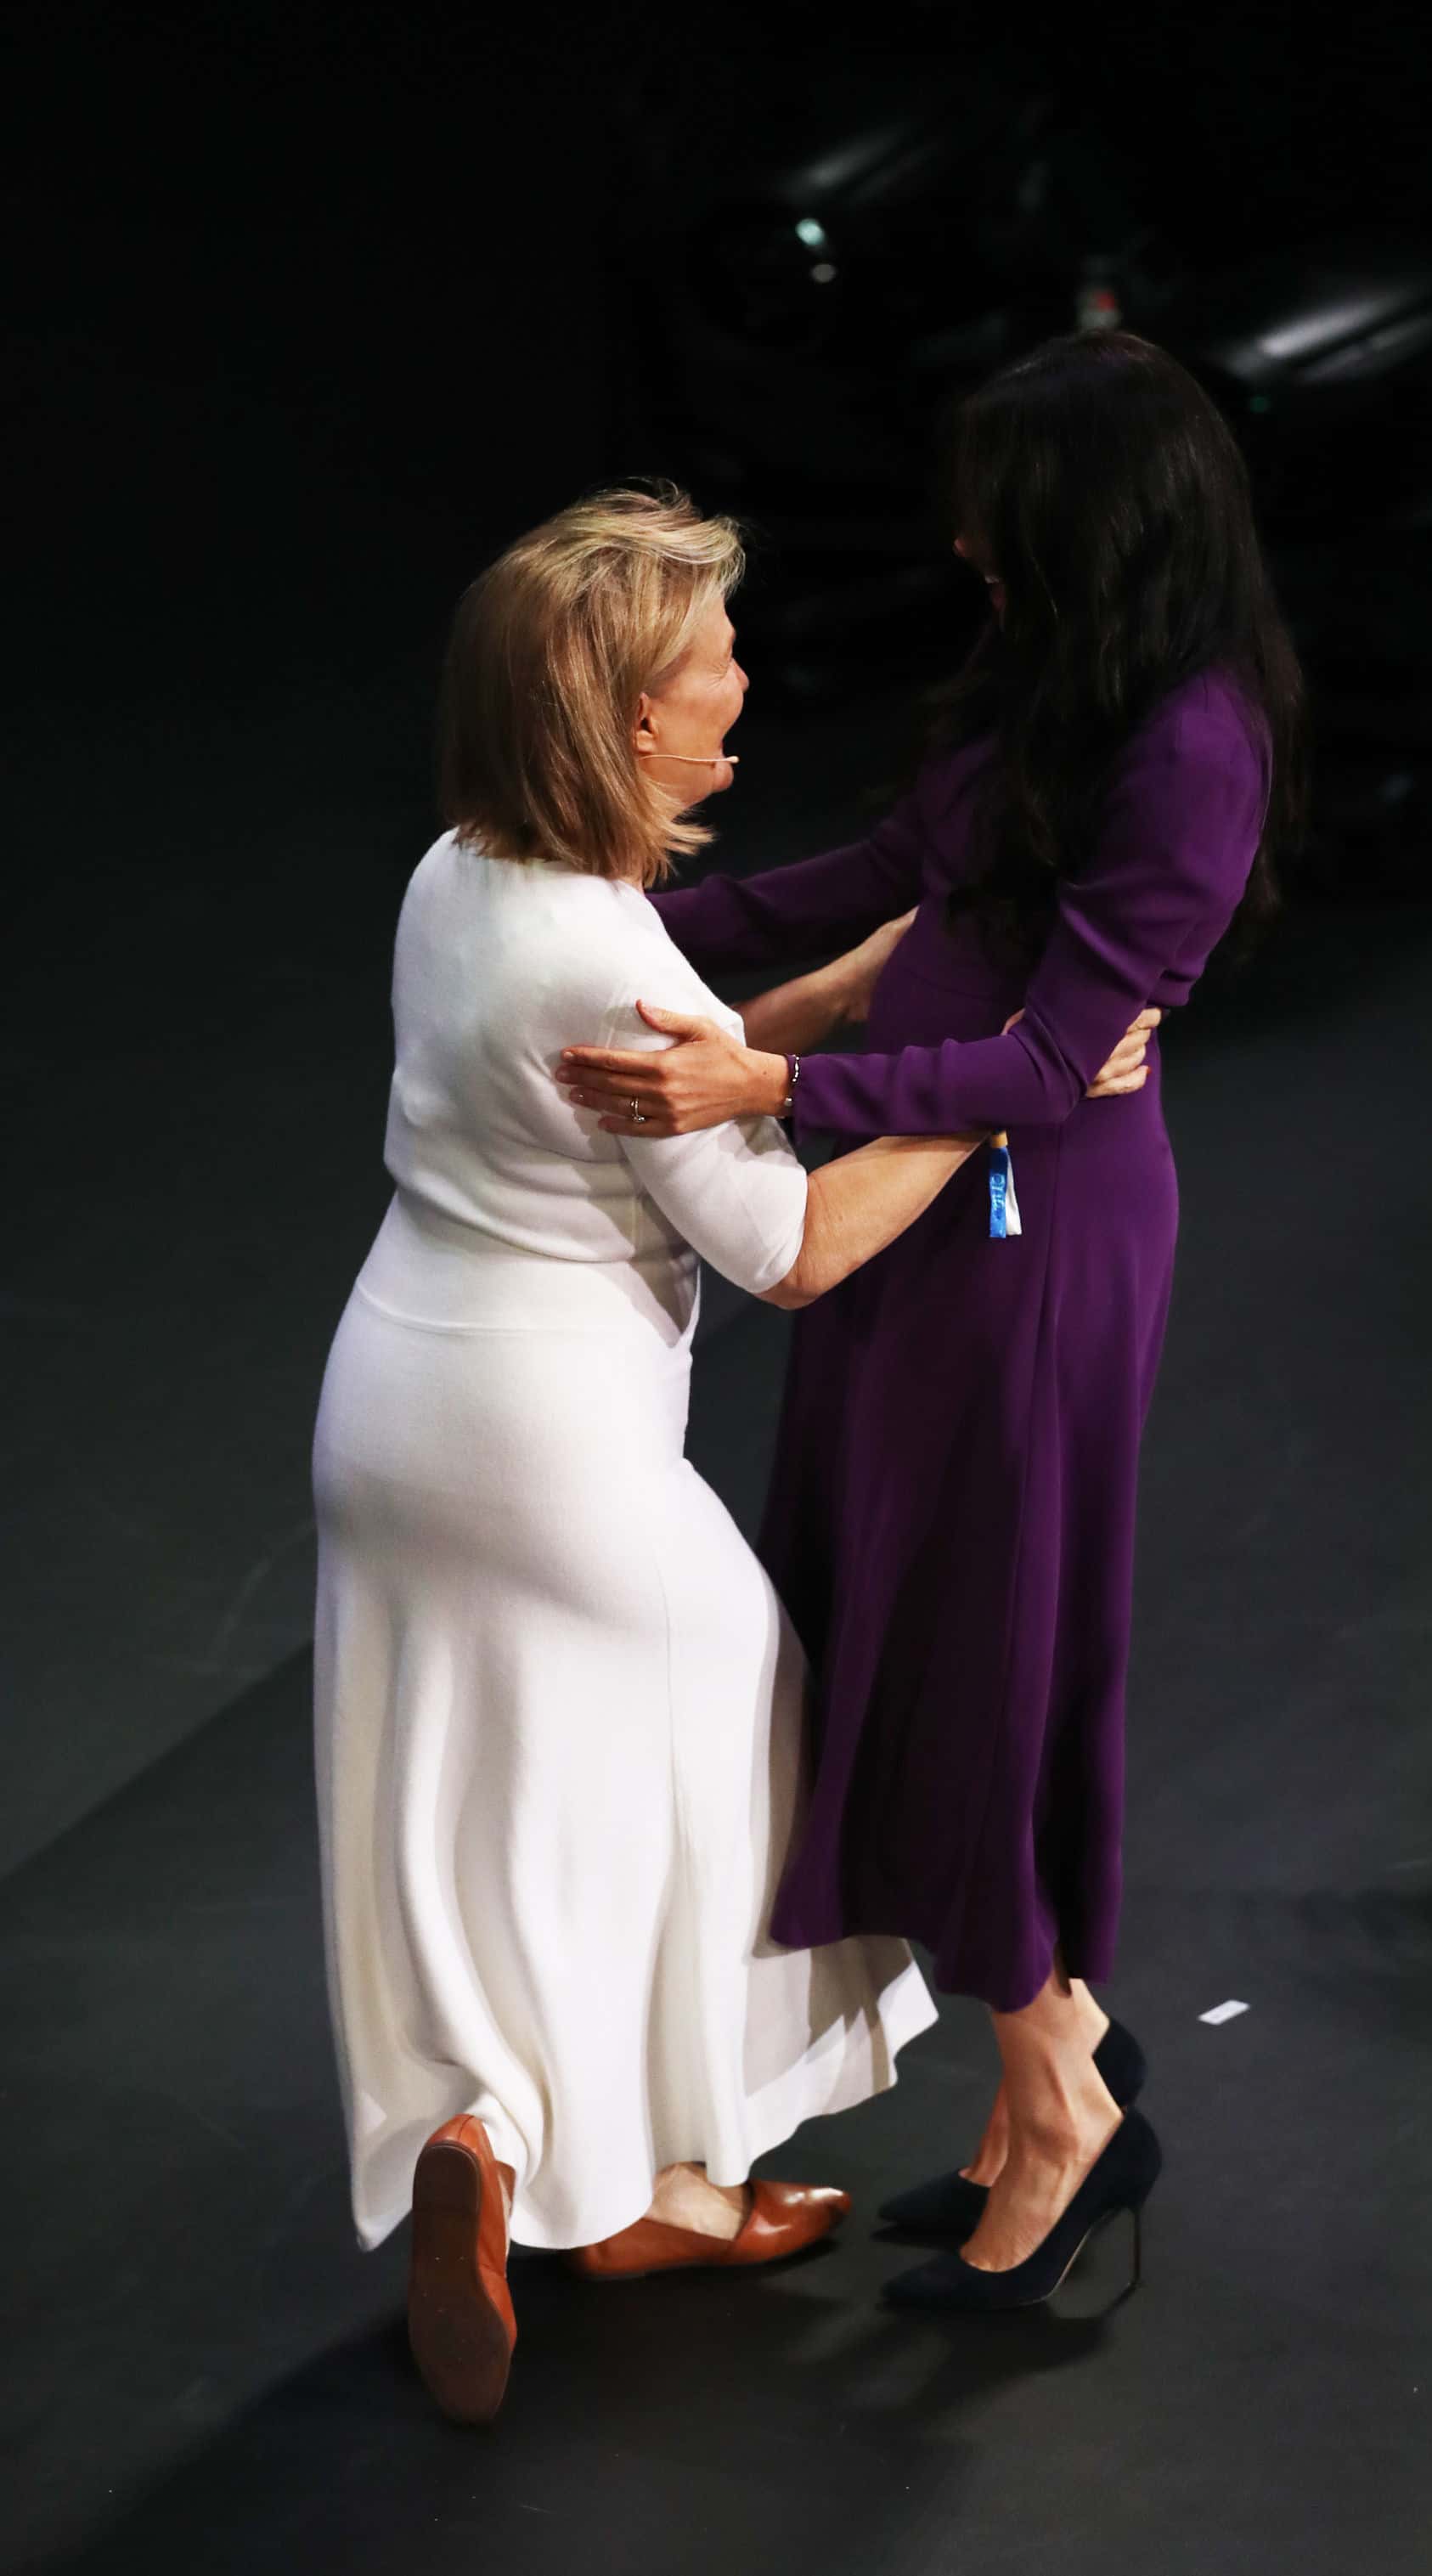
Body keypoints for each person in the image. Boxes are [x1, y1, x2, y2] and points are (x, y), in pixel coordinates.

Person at [555, 332, 1305, 2313]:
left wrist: (774, 1088)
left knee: (977, 1641)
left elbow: (1062, 1059)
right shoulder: (1062, 676)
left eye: (1000, 502)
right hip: (918, 1209)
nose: (965, 534)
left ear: (1091, 516)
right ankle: (1035, 2076)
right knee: (906, 1621)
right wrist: (611, 911)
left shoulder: (1197, 742)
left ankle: (1058, 2090)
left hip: (1031, 1238)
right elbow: (895, 876)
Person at [313, 487, 1044, 2423]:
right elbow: (789, 1244)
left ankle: (492, 2121)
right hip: (551, 1442)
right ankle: (663, 2184)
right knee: (744, 1744)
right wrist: (1001, 1096)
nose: (743, 675)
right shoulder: (609, 956)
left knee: (490, 1794)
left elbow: (662, 1062)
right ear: (634, 716)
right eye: (710, 654)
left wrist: (838, 1001)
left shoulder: (463, 873)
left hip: (392, 1408)